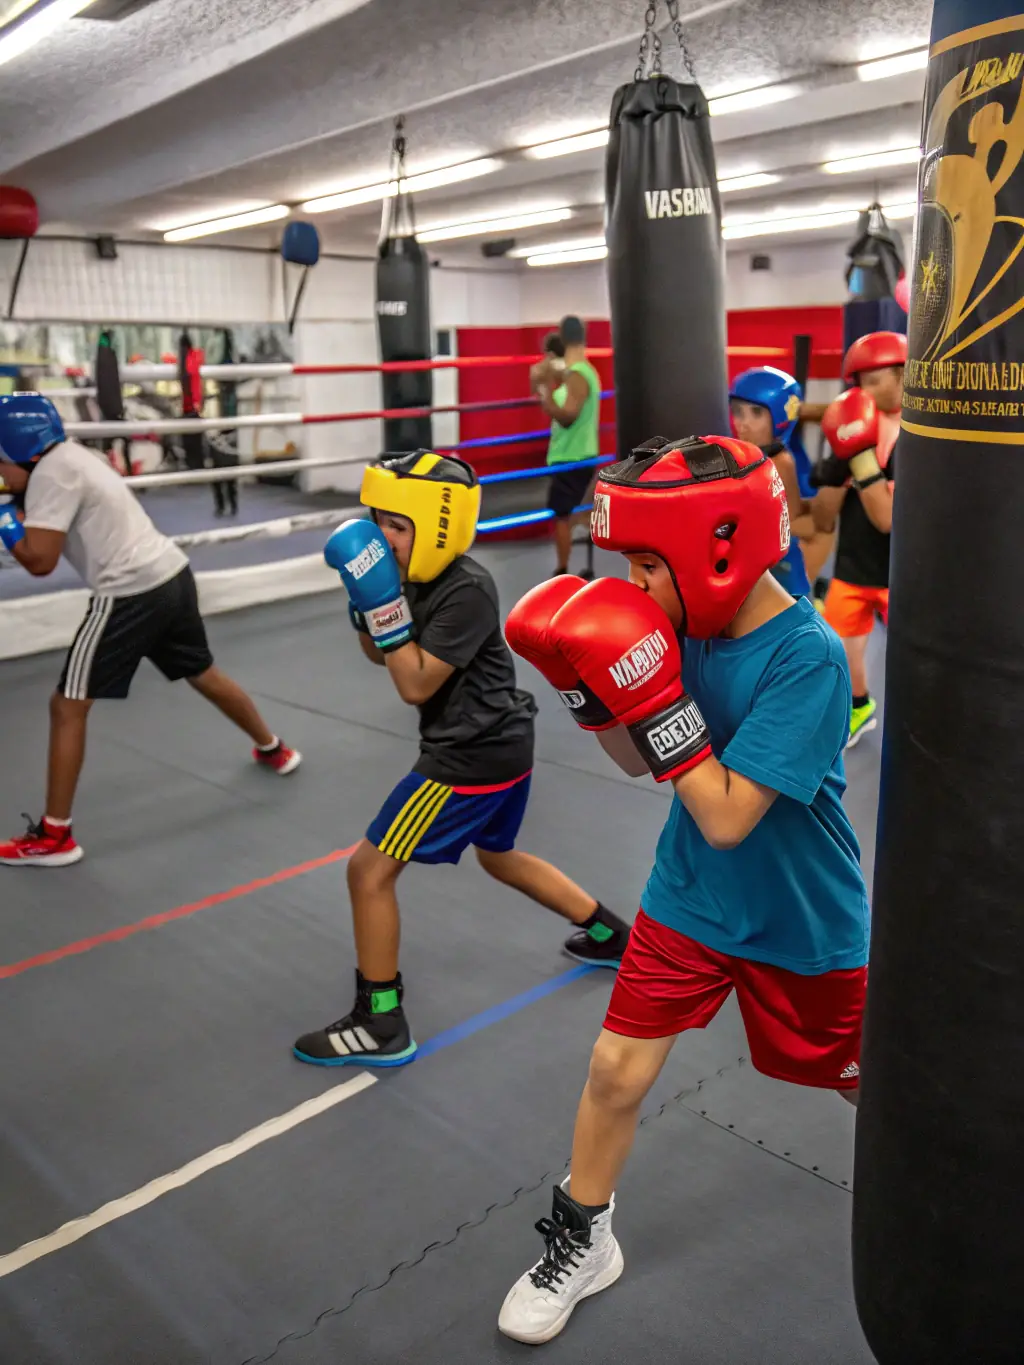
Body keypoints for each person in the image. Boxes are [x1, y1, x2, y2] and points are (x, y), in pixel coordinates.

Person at [497, 434, 869, 1345]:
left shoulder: (809, 656)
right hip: (691, 898)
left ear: (721, 547)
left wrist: (655, 698)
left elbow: (732, 813)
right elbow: (636, 762)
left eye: (646, 563)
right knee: (614, 1069)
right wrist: (588, 688)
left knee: (871, 1086)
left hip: (800, 912)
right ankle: (584, 1239)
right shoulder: (681, 628)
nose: (633, 584)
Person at [293, 450, 630, 1069]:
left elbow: (415, 683)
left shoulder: (467, 588)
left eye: (396, 525)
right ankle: (611, 933)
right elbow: (381, 657)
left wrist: (386, 609)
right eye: (376, 521)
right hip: (502, 740)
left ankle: (381, 1021)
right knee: (498, 857)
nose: (381, 536)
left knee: (368, 873)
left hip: (469, 756)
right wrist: (368, 604)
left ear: (435, 525)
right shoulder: (412, 579)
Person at [0, 393, 300, 868]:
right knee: (202, 671)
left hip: (129, 592)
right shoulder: (71, 456)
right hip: (169, 575)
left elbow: (39, 561)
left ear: (22, 451)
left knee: (67, 705)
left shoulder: (52, 476)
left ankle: (55, 836)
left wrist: (4, 520)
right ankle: (275, 749)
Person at [811, 331, 904, 747]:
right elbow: (822, 519)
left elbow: (886, 520)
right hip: (852, 565)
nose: (863, 391)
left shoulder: (918, 436)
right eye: (858, 382)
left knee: (916, 657)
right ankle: (858, 706)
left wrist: (860, 459)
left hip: (901, 570)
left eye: (874, 379)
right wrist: (840, 460)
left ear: (903, 375)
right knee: (841, 648)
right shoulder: (850, 426)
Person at [728, 366, 833, 599]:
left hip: (763, 557)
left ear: (780, 418)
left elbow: (791, 515)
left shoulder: (773, 459)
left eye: (756, 413)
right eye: (737, 411)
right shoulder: (765, 457)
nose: (742, 423)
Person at [534, 315, 601, 578]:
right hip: (572, 454)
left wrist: (545, 394)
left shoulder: (578, 375)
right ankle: (584, 519)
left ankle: (562, 571)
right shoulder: (578, 372)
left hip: (573, 456)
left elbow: (567, 415)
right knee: (565, 514)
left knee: (561, 516)